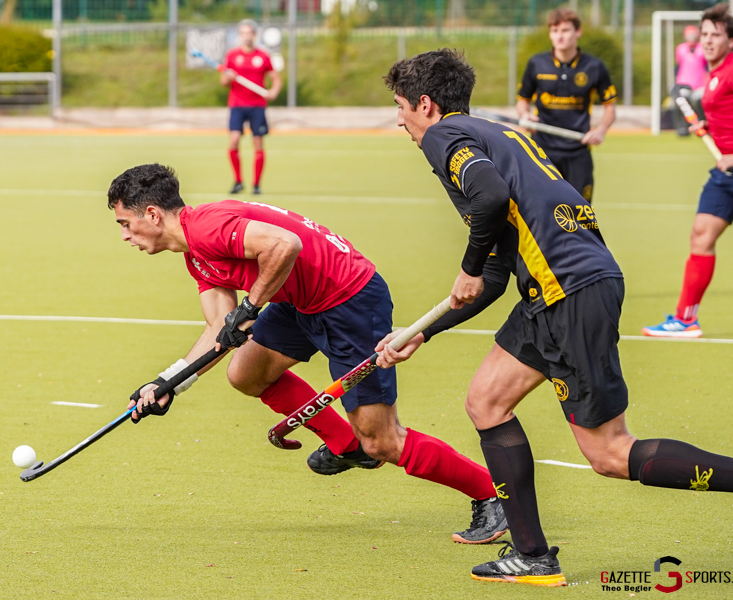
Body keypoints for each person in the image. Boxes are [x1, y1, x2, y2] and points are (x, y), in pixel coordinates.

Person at [377, 48, 733, 586]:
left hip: (568, 292)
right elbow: (496, 276)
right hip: (554, 290)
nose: (400, 121)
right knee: (486, 401)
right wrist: (423, 332)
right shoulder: (500, 134)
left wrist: (465, 263)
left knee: (608, 452)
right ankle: (532, 555)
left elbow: (487, 199)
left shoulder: (445, 137)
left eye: (401, 107)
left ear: (426, 103)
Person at [106, 163, 508, 544]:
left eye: (126, 223)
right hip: (300, 301)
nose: (124, 235)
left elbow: (286, 244)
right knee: (245, 372)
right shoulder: (196, 256)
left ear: (154, 215)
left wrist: (251, 307)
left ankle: (494, 496)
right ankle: (346, 446)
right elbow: (219, 330)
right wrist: (168, 383)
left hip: (349, 299)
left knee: (382, 441)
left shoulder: (209, 227)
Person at [644, 3, 733, 338]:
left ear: (732, 40)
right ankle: (686, 320)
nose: (707, 40)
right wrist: (709, 127)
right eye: (704, 33)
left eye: (715, 35)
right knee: (701, 235)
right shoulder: (714, 74)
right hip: (726, 171)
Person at [516, 8, 617, 203]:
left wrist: (601, 130)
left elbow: (610, 109)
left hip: (578, 152)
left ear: (577, 32)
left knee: (580, 215)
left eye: (565, 30)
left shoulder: (594, 66)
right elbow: (522, 101)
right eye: (554, 31)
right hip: (541, 151)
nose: (559, 36)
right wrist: (525, 115)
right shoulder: (536, 64)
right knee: (540, 212)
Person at [222, 19, 282, 195]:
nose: (246, 36)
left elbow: (276, 78)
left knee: (258, 143)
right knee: (233, 141)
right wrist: (229, 77)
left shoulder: (262, 56)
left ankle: (256, 184)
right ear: (239, 35)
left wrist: (273, 91)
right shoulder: (232, 56)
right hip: (237, 105)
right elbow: (223, 82)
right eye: (243, 33)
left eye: (249, 33)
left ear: (254, 35)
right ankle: (238, 181)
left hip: (257, 105)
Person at [671, 24, 709, 136]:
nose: (691, 37)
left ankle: (703, 126)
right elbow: (678, 66)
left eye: (693, 35)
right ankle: (682, 128)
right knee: (681, 102)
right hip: (684, 84)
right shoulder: (680, 49)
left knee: (701, 102)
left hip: (700, 84)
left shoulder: (703, 48)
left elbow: (707, 67)